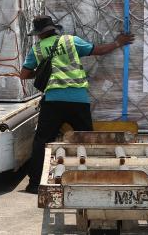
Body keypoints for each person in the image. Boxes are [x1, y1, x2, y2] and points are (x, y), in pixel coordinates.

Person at [19, 15, 135, 193]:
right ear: (53, 29)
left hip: (53, 101)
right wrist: (118, 42)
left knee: (42, 141)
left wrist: (41, 70)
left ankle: (35, 184)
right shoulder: (71, 41)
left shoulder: (37, 49)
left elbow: (24, 75)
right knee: (87, 140)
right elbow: (99, 50)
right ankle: (90, 178)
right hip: (78, 100)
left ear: (39, 34)